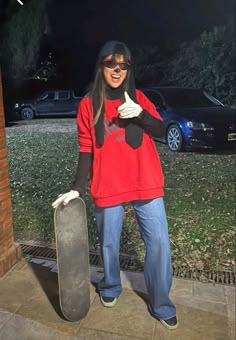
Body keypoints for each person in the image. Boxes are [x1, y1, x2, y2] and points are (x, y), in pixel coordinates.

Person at [52, 40, 178, 330]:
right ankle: (110, 287)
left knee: (158, 243)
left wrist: (141, 114)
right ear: (101, 66)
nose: (117, 69)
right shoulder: (87, 105)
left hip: (144, 180)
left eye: (124, 65)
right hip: (108, 182)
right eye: (111, 63)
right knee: (109, 242)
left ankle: (161, 303)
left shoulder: (138, 98)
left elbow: (160, 130)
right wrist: (77, 187)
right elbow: (86, 147)